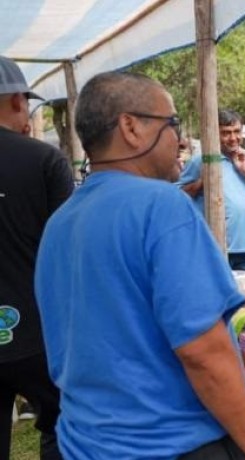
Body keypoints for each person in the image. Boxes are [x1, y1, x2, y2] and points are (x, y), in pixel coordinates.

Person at [34, 71, 245, 459]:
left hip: (83, 442)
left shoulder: (60, 221)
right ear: (130, 127)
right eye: (172, 123)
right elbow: (204, 352)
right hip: (168, 444)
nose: (179, 139)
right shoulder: (163, 206)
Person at [0, 55, 71, 460]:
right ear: (15, 100)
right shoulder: (43, 159)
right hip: (38, 331)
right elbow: (65, 248)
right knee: (60, 420)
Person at [178, 109, 245, 271]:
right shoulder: (201, 161)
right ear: (215, 134)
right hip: (213, 249)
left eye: (237, 132)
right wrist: (203, 181)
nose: (233, 138)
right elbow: (179, 196)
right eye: (226, 133)